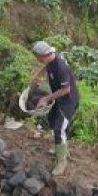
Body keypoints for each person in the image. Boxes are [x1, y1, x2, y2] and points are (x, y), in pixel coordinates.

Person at [29, 40, 79, 177]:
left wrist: (46, 98)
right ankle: (61, 148)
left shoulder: (60, 66)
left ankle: (62, 161)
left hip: (67, 101)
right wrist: (36, 77)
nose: (38, 60)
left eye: (38, 58)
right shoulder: (50, 60)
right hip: (58, 98)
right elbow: (46, 68)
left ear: (44, 55)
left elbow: (65, 90)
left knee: (59, 128)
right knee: (52, 120)